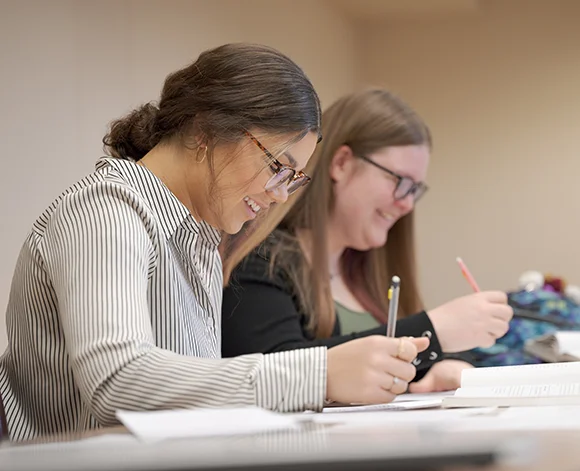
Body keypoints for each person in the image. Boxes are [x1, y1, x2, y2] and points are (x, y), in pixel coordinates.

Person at [0, 45, 427, 441]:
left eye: (293, 179)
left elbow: (194, 396)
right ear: (207, 130)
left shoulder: (201, 237)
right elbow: (118, 381)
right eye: (278, 166)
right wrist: (319, 375)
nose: (280, 195)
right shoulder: (106, 210)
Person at [222, 88, 514, 393]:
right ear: (342, 164)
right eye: (398, 181)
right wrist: (435, 329)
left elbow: (400, 366)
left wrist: (446, 364)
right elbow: (271, 370)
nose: (407, 204)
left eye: (414, 189)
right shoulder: (259, 258)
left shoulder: (369, 271)